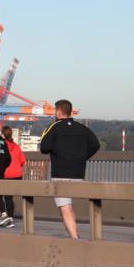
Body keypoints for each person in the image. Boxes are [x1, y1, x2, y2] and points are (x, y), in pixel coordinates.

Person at [39, 100, 100, 239]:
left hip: (60, 173)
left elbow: (43, 148)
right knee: (69, 207)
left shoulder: (54, 127)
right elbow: (95, 144)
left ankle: (75, 240)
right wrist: (82, 157)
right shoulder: (82, 128)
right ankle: (75, 236)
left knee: (65, 208)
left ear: (58, 112)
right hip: (78, 173)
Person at [0, 125, 26, 228]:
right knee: (9, 198)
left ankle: (5, 215)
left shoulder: (0, 146)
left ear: (2, 134)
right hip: (17, 175)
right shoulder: (16, 146)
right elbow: (23, 161)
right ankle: (10, 218)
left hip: (5, 175)